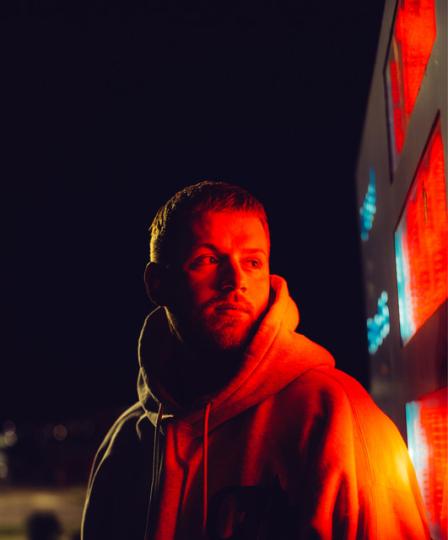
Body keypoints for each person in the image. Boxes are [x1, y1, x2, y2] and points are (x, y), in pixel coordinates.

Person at [81, 181, 429, 539]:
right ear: (157, 284)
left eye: (252, 262)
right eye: (207, 260)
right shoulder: (125, 446)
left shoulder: (338, 417)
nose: (235, 281)